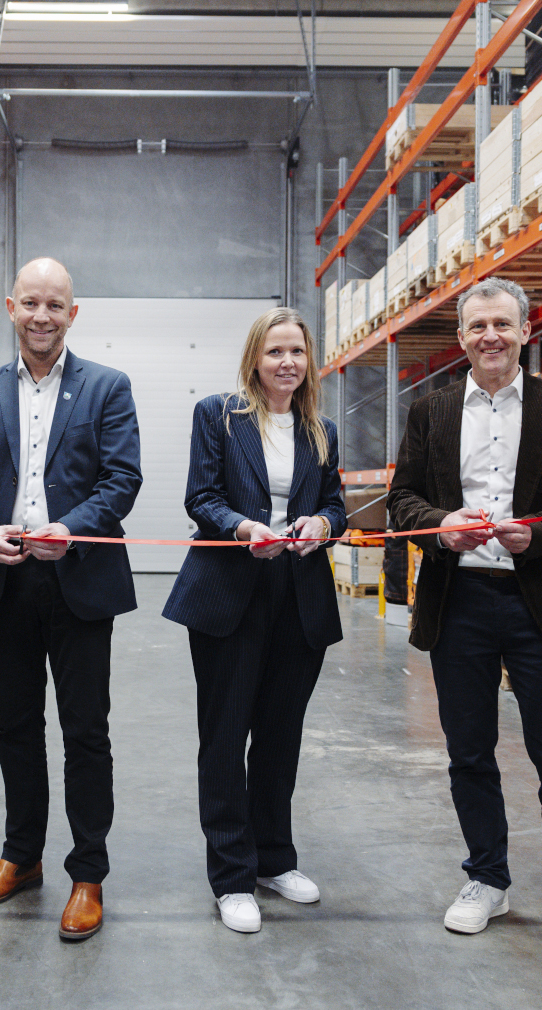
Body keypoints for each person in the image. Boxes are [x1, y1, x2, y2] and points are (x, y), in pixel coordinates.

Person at [386, 277, 542, 967]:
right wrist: (441, 526)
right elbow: (402, 500)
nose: (489, 335)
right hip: (457, 603)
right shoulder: (430, 412)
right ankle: (486, 878)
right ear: (461, 338)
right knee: (469, 751)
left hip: (535, 601)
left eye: (502, 323)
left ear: (526, 329)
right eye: (476, 325)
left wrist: (540, 538)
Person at [0, 257, 142, 942]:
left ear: (72, 314)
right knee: (17, 726)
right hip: (6, 579)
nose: (42, 316)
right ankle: (22, 856)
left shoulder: (108, 388)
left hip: (79, 579)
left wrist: (73, 529)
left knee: (86, 730)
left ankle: (88, 873)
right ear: (10, 307)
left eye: (56, 305)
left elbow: (121, 478)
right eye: (31, 302)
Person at [162, 307, 346, 934]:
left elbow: (334, 505)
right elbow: (201, 496)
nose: (287, 362)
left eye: (297, 351)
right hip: (230, 591)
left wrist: (322, 526)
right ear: (254, 359)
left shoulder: (321, 428)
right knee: (224, 735)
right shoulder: (217, 414)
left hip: (299, 595)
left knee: (279, 734)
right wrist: (244, 529)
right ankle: (232, 875)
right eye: (275, 352)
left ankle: (273, 859)